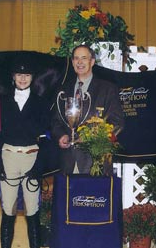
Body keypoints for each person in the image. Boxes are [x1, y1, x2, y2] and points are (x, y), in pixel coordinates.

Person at [0, 56, 50, 248]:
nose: (23, 78)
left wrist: (39, 166)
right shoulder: (2, 103)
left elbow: (45, 139)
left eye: (27, 75)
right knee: (8, 209)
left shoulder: (41, 102)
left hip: (31, 155)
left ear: (32, 78)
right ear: (13, 77)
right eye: (19, 75)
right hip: (9, 156)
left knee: (33, 209)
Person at [51, 44, 124, 175]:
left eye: (84, 58)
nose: (80, 62)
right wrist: (61, 135)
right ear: (72, 62)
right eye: (76, 58)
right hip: (67, 162)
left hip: (95, 162)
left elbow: (117, 123)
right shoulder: (63, 89)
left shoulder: (107, 89)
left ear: (92, 62)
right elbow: (56, 121)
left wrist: (89, 137)